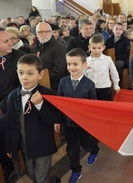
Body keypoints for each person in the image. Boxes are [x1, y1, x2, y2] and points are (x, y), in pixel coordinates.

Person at [5, 54, 58, 182]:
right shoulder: (13, 96)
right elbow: (10, 122)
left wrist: (40, 104)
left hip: (42, 146)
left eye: (30, 73)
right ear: (17, 73)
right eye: (21, 73)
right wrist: (9, 146)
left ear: (40, 74)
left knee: (41, 178)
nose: (25, 77)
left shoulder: (48, 94)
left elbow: (53, 119)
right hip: (25, 146)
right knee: (31, 175)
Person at [57, 48, 99, 183]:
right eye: (69, 64)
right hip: (68, 123)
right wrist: (57, 120)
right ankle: (76, 170)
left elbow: (93, 104)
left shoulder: (89, 84)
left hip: (83, 123)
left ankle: (94, 149)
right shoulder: (63, 82)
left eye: (75, 64)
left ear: (84, 65)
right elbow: (59, 102)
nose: (71, 67)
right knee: (72, 148)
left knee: (86, 143)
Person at [0, 27, 25, 181]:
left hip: (14, 104)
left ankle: (6, 164)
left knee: (2, 125)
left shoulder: (20, 58)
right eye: (6, 41)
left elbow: (22, 88)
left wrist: (2, 107)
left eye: (11, 39)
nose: (11, 43)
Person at [31, 22, 67, 90]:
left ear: (51, 32)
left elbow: (58, 70)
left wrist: (39, 80)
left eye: (46, 31)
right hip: (35, 84)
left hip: (52, 86)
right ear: (36, 34)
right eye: (40, 32)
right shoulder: (33, 49)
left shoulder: (60, 48)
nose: (43, 34)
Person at [85, 34, 120, 100]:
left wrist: (116, 85)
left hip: (105, 89)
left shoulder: (108, 59)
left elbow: (114, 72)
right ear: (89, 47)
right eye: (94, 48)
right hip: (91, 89)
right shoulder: (86, 61)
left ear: (103, 47)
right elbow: (84, 75)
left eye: (99, 48)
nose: (96, 50)